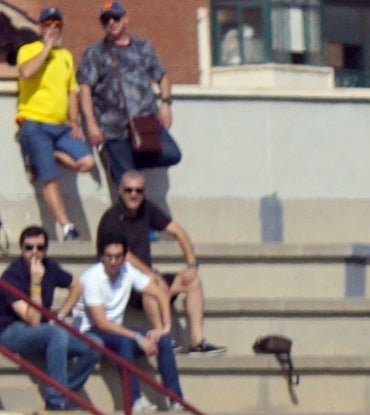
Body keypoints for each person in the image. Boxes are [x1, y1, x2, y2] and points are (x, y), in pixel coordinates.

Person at [95, 170, 221, 356]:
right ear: (120, 191)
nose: (134, 194)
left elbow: (178, 231)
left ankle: (197, 342)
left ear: (144, 192)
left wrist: (192, 264)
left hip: (146, 278)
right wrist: (150, 274)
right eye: (129, 190)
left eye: (139, 190)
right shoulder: (112, 218)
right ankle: (163, 339)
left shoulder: (147, 209)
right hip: (122, 284)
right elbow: (124, 255)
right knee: (151, 286)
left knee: (192, 280)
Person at [13, 7, 96, 241]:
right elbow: (27, 72)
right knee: (50, 178)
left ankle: (49, 155)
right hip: (34, 123)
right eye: (48, 24)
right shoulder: (28, 50)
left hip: (60, 127)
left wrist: (74, 121)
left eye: (57, 24)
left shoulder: (66, 56)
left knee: (87, 162)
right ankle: (67, 227)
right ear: (40, 27)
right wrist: (47, 47)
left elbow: (72, 91)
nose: (52, 28)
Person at [75, 0, 179, 184]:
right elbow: (84, 89)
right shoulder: (95, 53)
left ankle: (125, 165)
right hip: (113, 129)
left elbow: (162, 76)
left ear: (125, 19)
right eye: (106, 20)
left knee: (172, 153)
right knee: (127, 182)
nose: (111, 22)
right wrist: (91, 124)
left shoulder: (143, 47)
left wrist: (165, 105)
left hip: (145, 124)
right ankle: (122, 169)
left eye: (115, 18)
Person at [0, 224, 97, 409]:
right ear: (21, 249)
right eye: (29, 247)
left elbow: (77, 286)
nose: (34, 252)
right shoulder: (11, 275)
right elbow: (33, 320)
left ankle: (65, 390)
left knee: (94, 345)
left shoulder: (50, 267)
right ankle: (57, 399)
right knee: (56, 333)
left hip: (41, 329)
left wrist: (60, 316)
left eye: (40, 247)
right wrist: (36, 282)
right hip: (11, 330)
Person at [80, 237, 181, 409]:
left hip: (116, 330)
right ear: (102, 257)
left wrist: (165, 327)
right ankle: (134, 400)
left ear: (124, 257)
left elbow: (161, 293)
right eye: (109, 256)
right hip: (90, 331)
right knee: (124, 341)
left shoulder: (128, 271)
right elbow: (102, 323)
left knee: (163, 341)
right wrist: (138, 337)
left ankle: (176, 400)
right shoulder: (91, 278)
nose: (113, 262)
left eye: (118, 256)